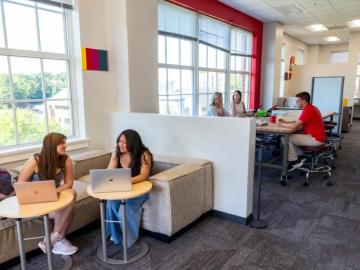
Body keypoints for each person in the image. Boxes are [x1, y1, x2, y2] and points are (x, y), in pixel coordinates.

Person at [18, 133, 78, 255]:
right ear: (51, 145)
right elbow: (20, 185)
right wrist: (46, 194)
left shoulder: (66, 160)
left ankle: (52, 239)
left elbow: (69, 183)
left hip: (53, 197)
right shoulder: (35, 161)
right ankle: (59, 240)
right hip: (36, 201)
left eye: (65, 142)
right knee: (69, 209)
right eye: (62, 143)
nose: (65, 145)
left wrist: (53, 192)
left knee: (72, 193)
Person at [106, 129, 153, 247]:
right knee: (111, 204)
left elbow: (144, 176)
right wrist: (113, 158)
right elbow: (108, 174)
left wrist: (124, 181)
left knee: (123, 212)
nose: (120, 144)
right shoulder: (116, 154)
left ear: (133, 143)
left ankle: (129, 240)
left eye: (124, 142)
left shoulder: (144, 154)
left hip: (138, 190)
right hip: (121, 190)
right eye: (119, 141)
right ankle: (117, 237)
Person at [277, 91, 325, 167]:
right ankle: (300, 156)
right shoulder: (312, 107)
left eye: (298, 101)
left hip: (314, 139)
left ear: (304, 101)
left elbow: (294, 126)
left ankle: (294, 161)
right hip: (317, 137)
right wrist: (286, 122)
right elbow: (299, 122)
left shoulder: (308, 110)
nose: (296, 103)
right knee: (292, 137)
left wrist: (280, 124)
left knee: (285, 138)